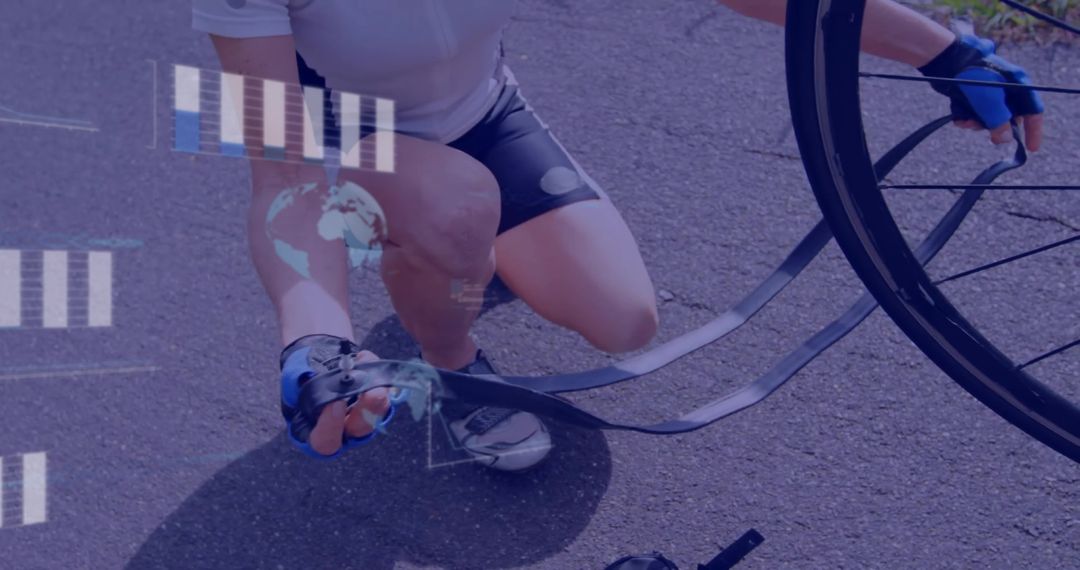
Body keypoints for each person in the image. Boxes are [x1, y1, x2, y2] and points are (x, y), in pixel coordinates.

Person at [192, 0, 1045, 471]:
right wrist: (316, 337)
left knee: (625, 320)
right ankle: (450, 360)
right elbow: (286, 179)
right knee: (454, 211)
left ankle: (458, 253)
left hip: (482, 114)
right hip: (354, 150)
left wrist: (941, 50)